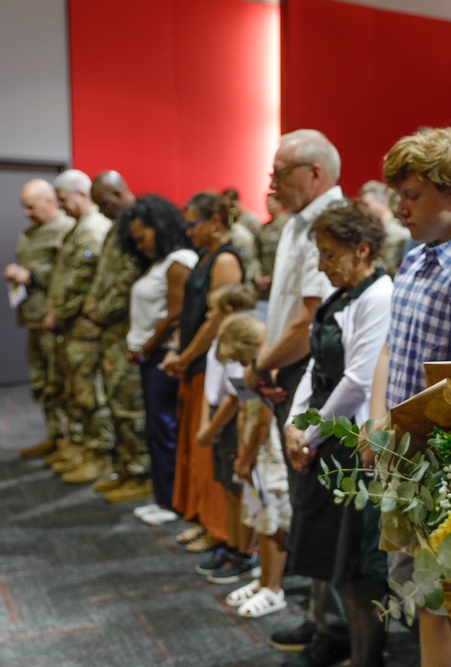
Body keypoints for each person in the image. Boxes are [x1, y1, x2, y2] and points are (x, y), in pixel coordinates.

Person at [371, 127, 451, 667]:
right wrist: (379, 420)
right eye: (398, 195)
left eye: (412, 195)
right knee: (423, 593)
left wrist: (399, 437)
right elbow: (390, 346)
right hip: (405, 450)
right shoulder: (418, 253)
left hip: (448, 463)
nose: (399, 208)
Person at [284, 200, 393, 667]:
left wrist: (308, 434)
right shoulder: (339, 296)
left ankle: (367, 656)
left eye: (330, 255)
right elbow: (314, 365)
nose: (323, 265)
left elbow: (359, 381)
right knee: (331, 555)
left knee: (356, 564)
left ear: (362, 249)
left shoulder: (378, 295)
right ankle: (340, 643)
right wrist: (295, 422)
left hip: (350, 442)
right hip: (322, 434)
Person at [258, 128, 346, 663]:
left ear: (313, 173)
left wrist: (262, 363)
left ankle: (334, 627)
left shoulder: (330, 224)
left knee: (319, 503)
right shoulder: (298, 222)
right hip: (287, 371)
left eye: (279, 172)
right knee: (303, 500)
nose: (270, 183)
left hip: (312, 377)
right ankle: (320, 618)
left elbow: (311, 316)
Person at [162, 191, 244, 553]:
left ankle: (218, 528)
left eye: (194, 224)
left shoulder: (225, 260)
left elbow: (217, 319)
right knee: (195, 448)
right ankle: (200, 517)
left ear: (215, 222)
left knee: (211, 450)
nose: (189, 232)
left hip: (214, 367)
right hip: (196, 363)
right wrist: (178, 351)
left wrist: (184, 355)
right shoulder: (204, 256)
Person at [121, 195, 198, 526]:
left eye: (143, 237)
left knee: (164, 428)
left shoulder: (179, 261)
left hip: (163, 356)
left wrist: (145, 348)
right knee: (155, 428)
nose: (139, 245)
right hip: (151, 355)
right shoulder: (160, 262)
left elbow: (176, 314)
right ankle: (163, 496)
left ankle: (170, 501)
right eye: (134, 240)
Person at [78, 171, 149, 498]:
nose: (103, 210)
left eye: (106, 203)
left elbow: (129, 281)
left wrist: (101, 311)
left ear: (120, 192)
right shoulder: (115, 229)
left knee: (130, 408)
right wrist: (93, 305)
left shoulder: (139, 226)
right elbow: (103, 278)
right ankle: (125, 466)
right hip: (109, 335)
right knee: (115, 403)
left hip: (127, 333)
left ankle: (141, 473)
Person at [217, 313, 291, 621]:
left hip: (268, 455)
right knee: (260, 517)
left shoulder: (268, 368)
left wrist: (245, 459)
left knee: (272, 522)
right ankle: (263, 580)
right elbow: (246, 414)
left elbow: (262, 419)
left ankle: (273, 588)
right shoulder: (252, 369)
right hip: (253, 454)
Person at [43, 169, 113, 481]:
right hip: (73, 326)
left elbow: (83, 283)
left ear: (81, 194)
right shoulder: (78, 228)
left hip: (85, 327)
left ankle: (99, 457)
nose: (61, 207)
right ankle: (84, 449)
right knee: (76, 391)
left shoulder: (93, 230)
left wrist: (61, 314)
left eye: (63, 200)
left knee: (90, 394)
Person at [193, 284, 261, 584]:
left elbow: (236, 396)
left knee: (238, 492)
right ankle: (233, 545)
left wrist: (211, 428)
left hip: (230, 421)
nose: (208, 315)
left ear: (230, 311)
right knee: (229, 491)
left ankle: (244, 552)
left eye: (213, 309)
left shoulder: (238, 341)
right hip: (221, 416)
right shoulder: (225, 337)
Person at [6, 179, 75, 459]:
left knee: (61, 382)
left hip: (55, 320)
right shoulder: (30, 233)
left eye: (31, 207)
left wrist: (32, 277)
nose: (26, 213)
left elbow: (70, 275)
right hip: (32, 318)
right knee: (42, 382)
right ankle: (55, 437)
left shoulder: (66, 230)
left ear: (49, 201)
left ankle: (73, 442)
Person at [359, 180, 410, 277]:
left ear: (382, 202)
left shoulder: (399, 233)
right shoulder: (369, 232)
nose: (363, 210)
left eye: (366, 205)